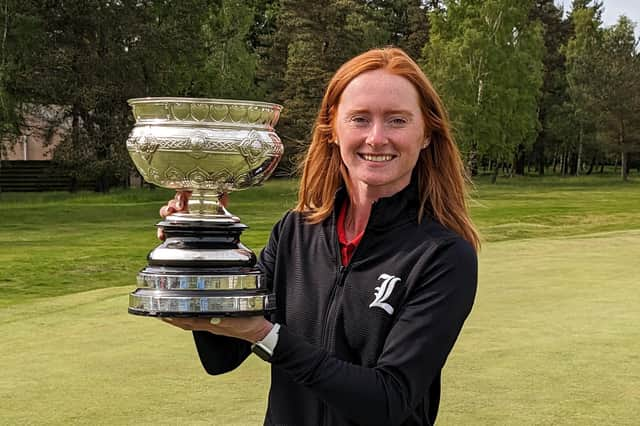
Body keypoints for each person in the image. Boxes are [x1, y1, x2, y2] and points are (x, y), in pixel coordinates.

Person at [160, 47, 480, 426]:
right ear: (333, 129)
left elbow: (388, 400)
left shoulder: (442, 255)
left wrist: (267, 335)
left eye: (397, 120)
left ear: (426, 134)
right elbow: (221, 357)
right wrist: (204, 242)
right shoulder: (294, 233)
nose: (376, 138)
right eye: (360, 119)